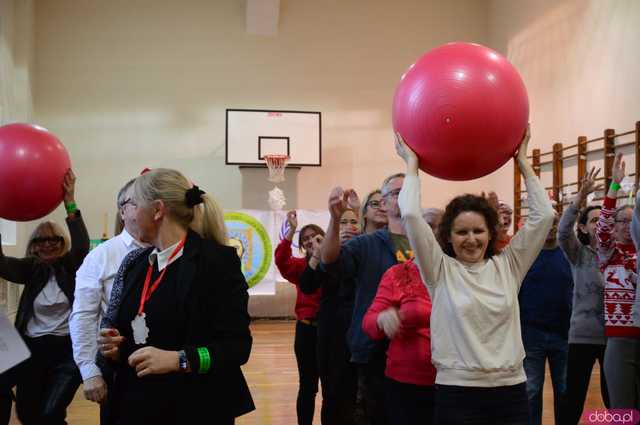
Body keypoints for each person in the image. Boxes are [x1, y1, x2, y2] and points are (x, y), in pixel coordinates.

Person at [395, 126, 555, 425]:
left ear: (491, 233)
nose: (471, 239)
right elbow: (412, 215)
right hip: (457, 392)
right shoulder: (439, 270)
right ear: (449, 237)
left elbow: (544, 215)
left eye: (478, 231)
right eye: (462, 232)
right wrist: (412, 165)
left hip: (510, 390)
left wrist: (522, 162)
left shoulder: (509, 266)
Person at [98, 168, 254, 425]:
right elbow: (141, 337)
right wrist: (117, 349)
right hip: (135, 404)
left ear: (157, 210)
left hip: (192, 407)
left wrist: (179, 360)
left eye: (133, 204)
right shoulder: (137, 264)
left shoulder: (215, 262)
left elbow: (236, 349)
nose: (128, 214)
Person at [0, 170, 90, 425]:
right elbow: (2, 264)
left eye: (53, 239)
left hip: (65, 352)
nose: (47, 244)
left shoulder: (71, 266)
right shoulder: (30, 269)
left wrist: (69, 201)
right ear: (33, 244)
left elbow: (82, 246)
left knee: (51, 413)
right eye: (41, 240)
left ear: (62, 242)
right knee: (28, 414)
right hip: (31, 351)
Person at [321, 174, 412, 425]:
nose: (403, 195)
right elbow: (329, 261)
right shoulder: (367, 244)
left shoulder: (428, 241)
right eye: (396, 192)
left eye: (409, 189)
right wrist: (334, 219)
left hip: (420, 350)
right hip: (375, 350)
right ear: (384, 203)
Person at [69, 178, 146, 423]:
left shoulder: (172, 251)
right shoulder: (101, 257)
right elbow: (83, 315)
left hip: (164, 365)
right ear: (123, 210)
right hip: (118, 367)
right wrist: (89, 371)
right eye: (138, 201)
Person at [361, 209, 442, 425]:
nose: (428, 231)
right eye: (421, 225)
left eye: (434, 225)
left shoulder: (460, 273)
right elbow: (369, 322)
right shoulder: (397, 274)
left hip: (454, 381)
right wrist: (383, 319)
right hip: (407, 383)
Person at [557, 167, 609, 425]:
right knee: (573, 399)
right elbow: (563, 232)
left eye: (604, 219)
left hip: (616, 339)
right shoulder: (579, 255)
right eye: (593, 220)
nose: (600, 224)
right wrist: (580, 199)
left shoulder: (622, 255)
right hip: (582, 337)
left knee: (617, 399)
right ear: (585, 228)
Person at [300, 208, 360, 425]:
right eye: (342, 222)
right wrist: (320, 251)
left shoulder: (364, 250)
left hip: (359, 331)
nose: (348, 227)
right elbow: (307, 284)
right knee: (332, 393)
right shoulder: (328, 253)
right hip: (332, 334)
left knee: (358, 396)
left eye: (354, 221)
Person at [519, 214, 573, 425]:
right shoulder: (526, 255)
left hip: (564, 333)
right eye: (547, 223)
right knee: (531, 390)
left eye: (555, 223)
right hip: (531, 332)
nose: (550, 228)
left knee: (564, 388)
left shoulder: (569, 255)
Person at [598, 153, 640, 409]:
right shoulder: (609, 253)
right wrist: (615, 186)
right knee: (622, 410)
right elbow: (602, 226)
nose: (625, 226)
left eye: (630, 221)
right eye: (620, 221)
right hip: (619, 340)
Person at [275, 211, 324, 425]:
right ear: (302, 247)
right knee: (308, 386)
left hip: (331, 332)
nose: (310, 240)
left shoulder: (337, 261)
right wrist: (290, 232)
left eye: (315, 236)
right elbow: (282, 261)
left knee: (333, 387)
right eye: (305, 239)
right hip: (306, 331)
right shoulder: (300, 267)